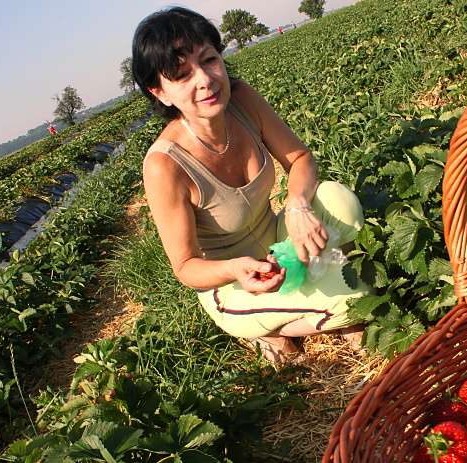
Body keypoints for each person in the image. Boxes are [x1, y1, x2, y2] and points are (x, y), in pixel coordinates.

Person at [132, 7, 367, 364]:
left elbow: (300, 158)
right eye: (181, 75)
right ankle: (271, 330)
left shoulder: (242, 101)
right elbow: (185, 266)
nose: (205, 80)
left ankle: (311, 305)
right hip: (234, 283)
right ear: (160, 93)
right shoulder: (165, 165)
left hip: (276, 242)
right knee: (353, 301)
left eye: (209, 60)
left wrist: (297, 205)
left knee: (336, 199)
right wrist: (233, 269)